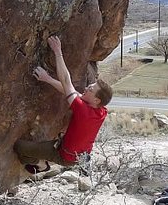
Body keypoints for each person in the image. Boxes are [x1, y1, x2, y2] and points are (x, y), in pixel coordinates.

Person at [14, 35, 113, 172]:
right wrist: (47, 79)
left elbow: (67, 82)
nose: (86, 88)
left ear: (97, 100)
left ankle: (41, 165)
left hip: (65, 156)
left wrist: (57, 51)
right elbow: (69, 90)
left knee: (20, 147)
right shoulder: (101, 111)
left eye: (90, 89)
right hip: (77, 153)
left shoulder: (83, 111)